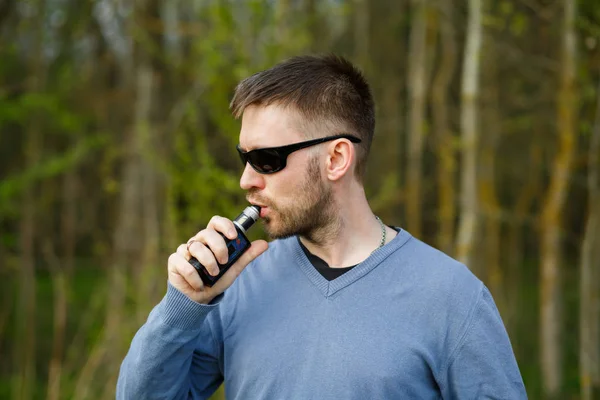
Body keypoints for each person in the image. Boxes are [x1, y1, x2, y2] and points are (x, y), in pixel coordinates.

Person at [117, 54, 527, 399]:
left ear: (336, 159)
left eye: (267, 160)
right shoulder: (237, 284)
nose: (246, 180)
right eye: (244, 157)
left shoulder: (451, 296)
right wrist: (182, 305)